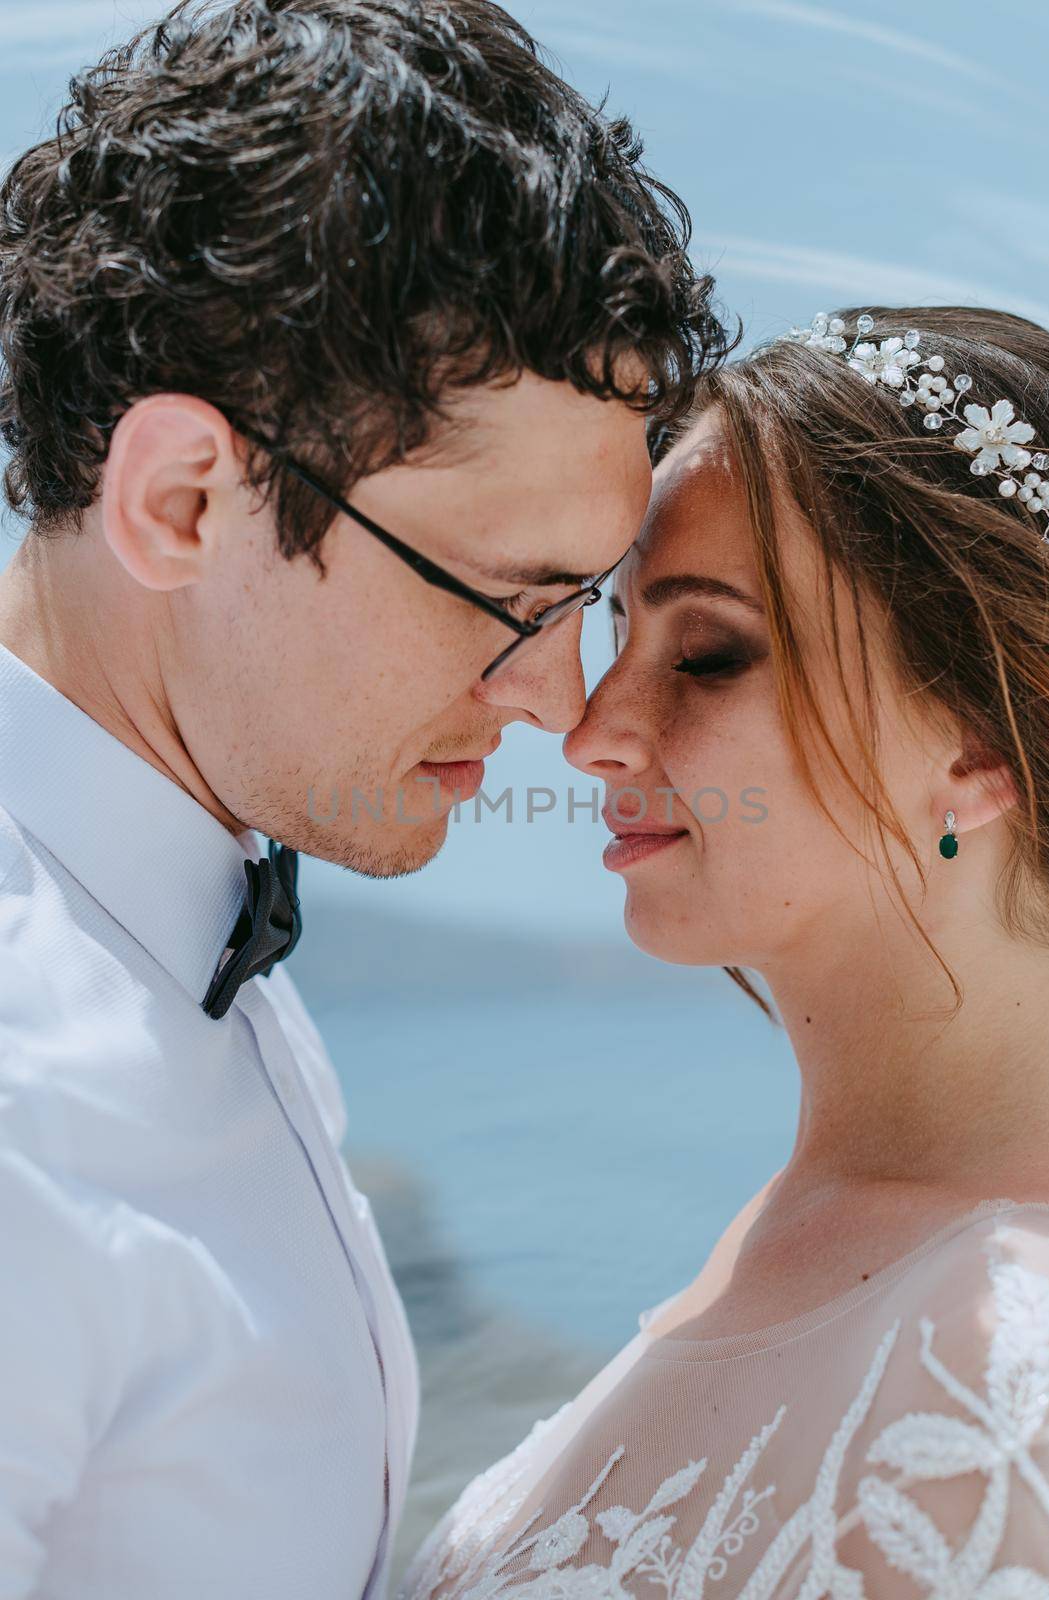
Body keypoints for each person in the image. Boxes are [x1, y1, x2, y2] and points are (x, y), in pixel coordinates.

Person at [0, 0, 726, 1594]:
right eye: (506, 596)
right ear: (184, 500)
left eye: (587, 606)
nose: (564, 701)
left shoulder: (198, 930)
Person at [398, 305, 1049, 1600]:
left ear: (986, 747)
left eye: (706, 654)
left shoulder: (1012, 1377)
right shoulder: (785, 1229)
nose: (592, 729)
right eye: (620, 629)